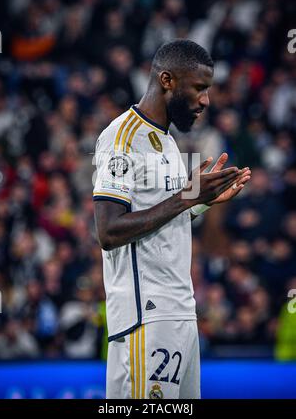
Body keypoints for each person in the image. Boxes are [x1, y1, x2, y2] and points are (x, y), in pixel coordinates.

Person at [93, 39, 251, 399]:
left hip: (180, 311)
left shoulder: (165, 142)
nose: (206, 101)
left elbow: (162, 218)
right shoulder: (121, 138)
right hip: (145, 317)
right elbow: (108, 230)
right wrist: (186, 197)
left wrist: (200, 203)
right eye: (199, 88)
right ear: (167, 80)